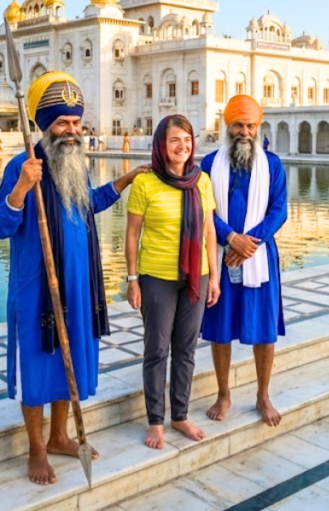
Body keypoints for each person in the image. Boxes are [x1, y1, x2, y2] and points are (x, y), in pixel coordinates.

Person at [0, 72, 149, 485]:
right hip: (38, 291)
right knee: (38, 366)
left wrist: (126, 180)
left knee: (68, 359)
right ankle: (37, 448)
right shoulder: (23, 167)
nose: (73, 131)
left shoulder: (75, 163)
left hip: (78, 287)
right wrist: (21, 188)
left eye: (77, 123)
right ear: (45, 126)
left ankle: (60, 436)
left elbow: (87, 204)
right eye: (63, 123)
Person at [126, 114, 219, 450]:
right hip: (156, 279)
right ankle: (155, 421)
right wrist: (132, 279)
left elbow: (209, 231)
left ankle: (179, 415)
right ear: (161, 147)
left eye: (187, 139)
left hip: (196, 276)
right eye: (174, 140)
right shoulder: (145, 183)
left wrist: (215, 277)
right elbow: (132, 234)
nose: (182, 146)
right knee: (157, 350)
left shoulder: (202, 181)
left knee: (186, 350)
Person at [200, 95, 288, 427]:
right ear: (228, 126)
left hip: (259, 258)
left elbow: (279, 210)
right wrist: (229, 238)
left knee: (264, 331)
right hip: (221, 257)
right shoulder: (209, 164)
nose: (244, 131)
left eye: (250, 125)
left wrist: (249, 243)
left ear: (257, 127)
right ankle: (224, 394)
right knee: (220, 330)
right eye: (238, 124)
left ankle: (263, 395)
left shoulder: (273, 165)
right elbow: (203, 209)